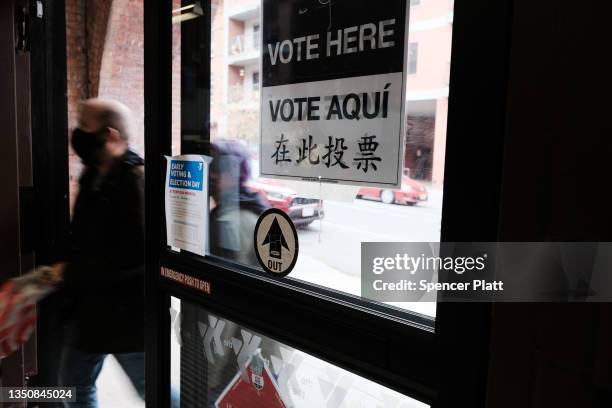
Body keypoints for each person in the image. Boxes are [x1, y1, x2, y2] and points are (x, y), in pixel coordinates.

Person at [51, 98, 145, 407]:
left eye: (84, 125)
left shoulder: (136, 180)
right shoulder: (92, 175)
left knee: (150, 387)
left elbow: (135, 256)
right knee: (74, 383)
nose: (77, 132)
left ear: (111, 135)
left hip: (126, 315)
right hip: (90, 311)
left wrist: (72, 272)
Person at [209, 139, 269, 266]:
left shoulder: (232, 221)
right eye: (210, 167)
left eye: (219, 168)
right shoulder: (222, 213)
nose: (211, 175)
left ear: (237, 173)